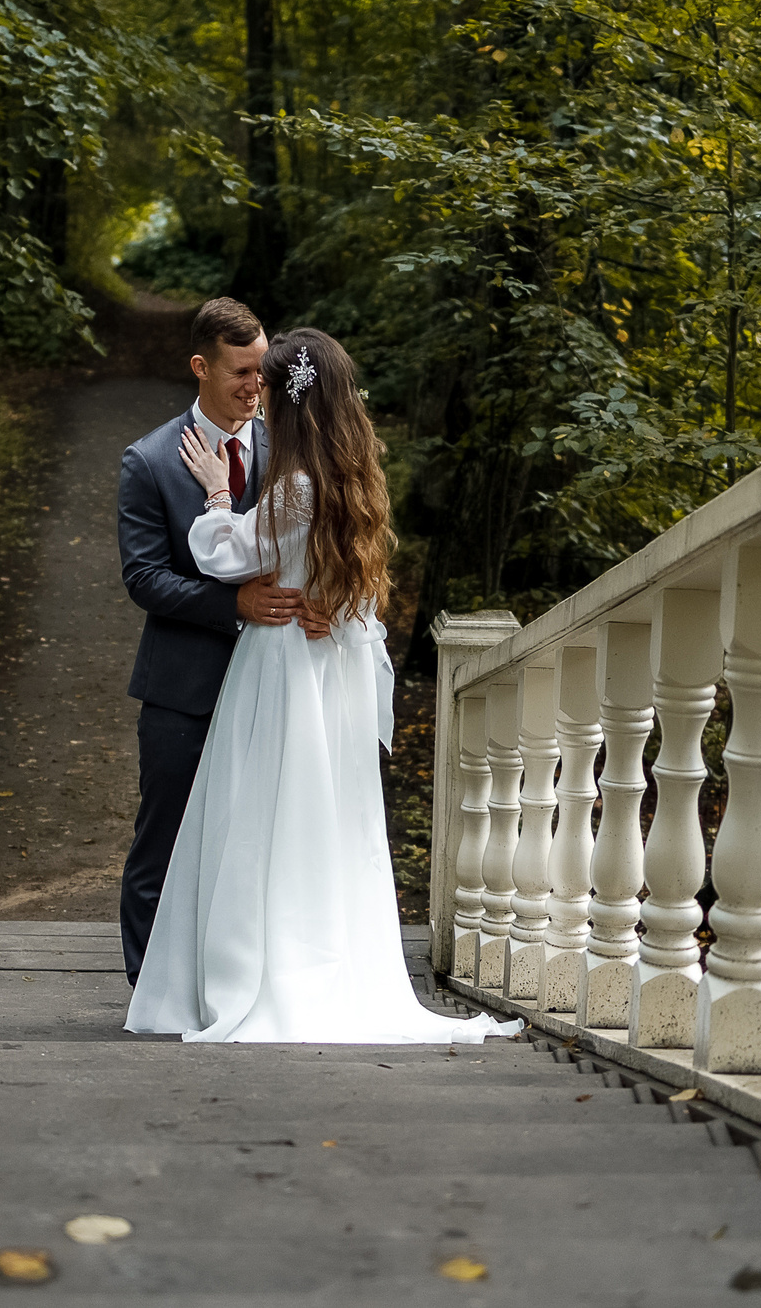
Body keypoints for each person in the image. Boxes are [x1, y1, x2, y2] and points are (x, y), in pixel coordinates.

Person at [125, 329, 520, 1044]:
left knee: (262, 814)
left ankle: (256, 967)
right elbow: (359, 598)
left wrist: (217, 492)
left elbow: (222, 552)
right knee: (317, 817)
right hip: (326, 669)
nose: (259, 401)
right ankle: (310, 955)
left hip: (280, 670)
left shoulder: (296, 486)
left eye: (267, 389)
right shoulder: (350, 479)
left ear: (291, 402)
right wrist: (332, 609)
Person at [114, 297, 308, 986]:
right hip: (182, 688)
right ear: (200, 367)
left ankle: (235, 987)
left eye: (262, 370)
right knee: (163, 843)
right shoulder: (149, 459)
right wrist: (234, 604)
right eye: (241, 371)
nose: (257, 385)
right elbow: (144, 578)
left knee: (255, 844)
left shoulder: (289, 449)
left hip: (275, 680)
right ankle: (149, 990)